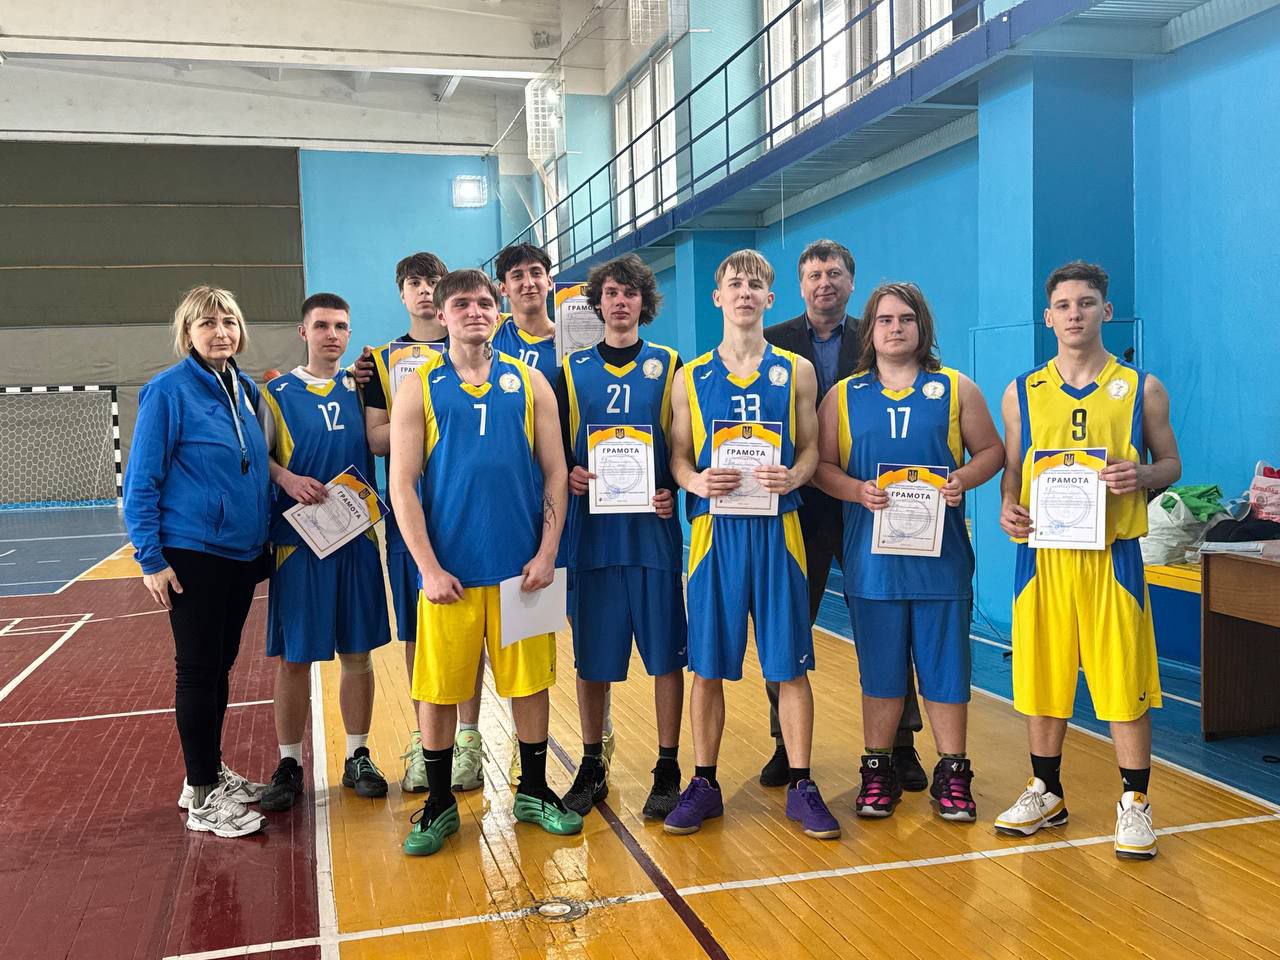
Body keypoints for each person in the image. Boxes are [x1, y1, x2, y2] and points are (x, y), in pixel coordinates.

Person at [390, 268, 581, 856]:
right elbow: (402, 484)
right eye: (461, 305)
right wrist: (427, 567)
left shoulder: (530, 382)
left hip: (522, 571)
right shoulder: (418, 387)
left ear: (496, 312)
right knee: (440, 688)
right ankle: (440, 801)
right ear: (441, 315)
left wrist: (547, 552)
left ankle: (534, 791)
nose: (474, 312)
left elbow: (556, 473)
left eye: (482, 303)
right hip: (449, 573)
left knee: (531, 685)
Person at [995, 261, 1180, 860]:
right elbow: (1013, 469)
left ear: (1107, 310)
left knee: (1123, 679)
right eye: (1064, 305)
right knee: (1042, 676)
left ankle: (1135, 802)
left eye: (1086, 303)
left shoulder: (1142, 387)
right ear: (1048, 318)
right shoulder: (1022, 391)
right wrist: (1007, 506)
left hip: (1112, 557)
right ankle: (1046, 791)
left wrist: (1142, 475)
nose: (1075, 313)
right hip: (1043, 558)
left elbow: (1171, 464)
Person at [665, 249, 840, 840]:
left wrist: (795, 475)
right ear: (718, 297)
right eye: (735, 284)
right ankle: (704, 783)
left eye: (756, 285)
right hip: (714, 535)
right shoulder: (690, 376)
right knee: (707, 667)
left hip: (778, 531)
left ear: (770, 298)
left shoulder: (797, 370)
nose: (745, 293)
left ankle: (802, 783)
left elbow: (811, 449)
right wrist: (694, 482)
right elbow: (679, 457)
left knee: (789, 666)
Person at [813, 282, 1003, 821]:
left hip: (941, 563)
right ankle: (878, 770)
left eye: (906, 319)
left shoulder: (956, 389)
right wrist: (856, 490)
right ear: (869, 332)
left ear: (923, 327)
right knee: (880, 673)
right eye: (885, 320)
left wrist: (963, 478)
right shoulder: (843, 396)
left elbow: (992, 451)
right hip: (873, 565)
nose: (895, 328)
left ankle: (953, 772)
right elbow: (821, 467)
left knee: (946, 672)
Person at [763, 240, 928, 791]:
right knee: (787, 623)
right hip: (798, 507)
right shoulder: (772, 342)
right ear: (800, 285)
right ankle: (785, 744)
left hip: (874, 504)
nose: (824, 283)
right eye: (813, 275)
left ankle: (900, 744)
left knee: (887, 624)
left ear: (851, 282)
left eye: (834, 273)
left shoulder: (879, 332)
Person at [123, 284, 271, 838]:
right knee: (197, 670)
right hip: (192, 553)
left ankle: (204, 775)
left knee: (219, 667)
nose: (220, 332)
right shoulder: (167, 392)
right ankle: (205, 798)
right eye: (207, 323)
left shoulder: (244, 388)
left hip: (240, 554)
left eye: (228, 321)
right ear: (187, 333)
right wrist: (150, 558)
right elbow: (141, 480)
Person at [556, 254, 686, 820]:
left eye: (630, 293)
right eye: (611, 292)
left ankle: (668, 765)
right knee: (593, 661)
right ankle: (592, 764)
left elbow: (683, 448)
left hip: (652, 534)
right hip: (592, 537)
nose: (620, 301)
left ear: (644, 303)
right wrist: (569, 471)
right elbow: (552, 451)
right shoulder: (570, 371)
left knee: (666, 657)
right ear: (598, 302)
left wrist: (673, 490)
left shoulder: (671, 365)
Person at [256, 294, 392, 812]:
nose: (331, 334)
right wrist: (286, 478)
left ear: (349, 333)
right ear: (303, 332)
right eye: (321, 326)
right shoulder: (276, 394)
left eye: (340, 326)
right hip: (299, 543)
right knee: (295, 659)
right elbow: (259, 458)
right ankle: (289, 763)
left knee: (357, 655)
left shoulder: (364, 391)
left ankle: (358, 754)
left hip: (356, 539)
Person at [358, 252, 448, 795]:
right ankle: (423, 739)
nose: (425, 290)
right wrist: (431, 420)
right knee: (417, 629)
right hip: (409, 514)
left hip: (471, 511)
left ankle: (468, 740)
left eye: (434, 281)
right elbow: (375, 438)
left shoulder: (477, 346)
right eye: (415, 282)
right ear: (401, 293)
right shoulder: (380, 360)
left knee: (474, 627)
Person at [490, 243, 558, 375]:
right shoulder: (492, 327)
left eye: (536, 273)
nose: (529, 283)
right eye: (517, 276)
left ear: (549, 282)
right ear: (503, 289)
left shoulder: (570, 340)